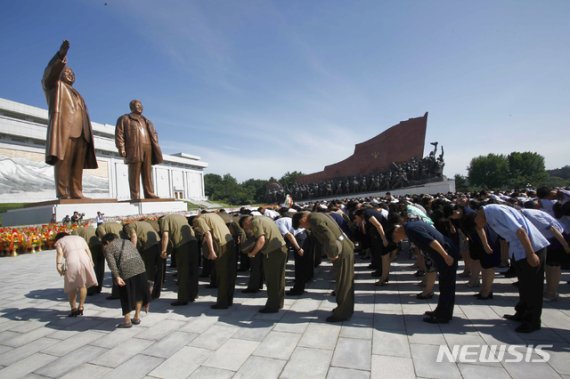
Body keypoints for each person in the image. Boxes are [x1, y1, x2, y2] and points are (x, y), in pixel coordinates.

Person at [475, 204, 550, 333]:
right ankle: (521, 313)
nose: (479, 226)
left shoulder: (495, 211)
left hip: (531, 248)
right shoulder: (487, 215)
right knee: (524, 285)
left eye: (476, 222)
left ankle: (532, 321)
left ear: (477, 215)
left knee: (533, 287)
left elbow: (520, 230)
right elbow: (479, 227)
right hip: (519, 250)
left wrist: (531, 253)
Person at [42, 40, 98, 199]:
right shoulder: (55, 86)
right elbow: (48, 76)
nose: (71, 74)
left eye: (72, 73)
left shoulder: (77, 93)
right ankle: (63, 192)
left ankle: (76, 191)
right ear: (59, 73)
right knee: (63, 163)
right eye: (67, 72)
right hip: (65, 131)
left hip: (82, 134)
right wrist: (60, 56)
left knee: (77, 166)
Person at [388, 220, 458, 324]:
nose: (399, 241)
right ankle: (440, 311)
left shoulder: (411, 229)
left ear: (396, 231)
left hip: (447, 253)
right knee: (444, 284)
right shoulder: (410, 225)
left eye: (396, 239)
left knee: (447, 285)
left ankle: (443, 316)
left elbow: (432, 241)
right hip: (444, 252)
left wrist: (445, 256)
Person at [293, 211, 355, 322]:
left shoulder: (314, 220)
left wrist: (332, 254)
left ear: (302, 220)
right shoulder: (318, 215)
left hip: (341, 251)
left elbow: (329, 237)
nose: (305, 228)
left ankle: (342, 314)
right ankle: (344, 309)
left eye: (302, 226)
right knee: (344, 281)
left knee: (343, 283)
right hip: (343, 247)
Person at [115, 99, 163, 200]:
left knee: (147, 172)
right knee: (134, 173)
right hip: (134, 148)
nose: (140, 107)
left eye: (141, 105)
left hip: (148, 148)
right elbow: (119, 135)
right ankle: (135, 194)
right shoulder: (125, 119)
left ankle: (149, 193)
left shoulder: (147, 121)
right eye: (138, 105)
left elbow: (154, 134)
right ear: (132, 107)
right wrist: (121, 148)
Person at [240, 214, 287, 313]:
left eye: (246, 227)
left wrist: (252, 253)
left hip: (272, 252)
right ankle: (279, 303)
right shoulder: (264, 218)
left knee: (272, 280)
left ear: (246, 223)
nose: (248, 229)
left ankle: (272, 306)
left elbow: (261, 240)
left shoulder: (255, 222)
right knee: (279, 279)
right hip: (281, 249)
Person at [102, 233, 150, 328]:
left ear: (107, 241)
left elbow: (112, 264)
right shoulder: (127, 241)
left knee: (125, 295)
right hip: (140, 268)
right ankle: (136, 317)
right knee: (139, 293)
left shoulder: (108, 248)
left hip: (126, 271)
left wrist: (117, 277)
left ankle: (127, 321)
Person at [192, 213, 236, 309]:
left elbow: (207, 233)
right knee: (230, 274)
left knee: (222, 275)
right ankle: (229, 300)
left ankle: (222, 303)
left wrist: (211, 251)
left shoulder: (199, 220)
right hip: (230, 242)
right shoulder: (214, 216)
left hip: (222, 245)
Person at [159, 214, 199, 306]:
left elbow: (165, 235)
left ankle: (182, 299)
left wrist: (164, 250)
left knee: (183, 272)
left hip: (182, 245)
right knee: (192, 270)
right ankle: (193, 295)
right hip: (193, 242)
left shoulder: (165, 219)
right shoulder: (180, 216)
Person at [54, 232, 98, 317]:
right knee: (83, 284)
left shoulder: (60, 241)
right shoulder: (80, 238)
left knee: (72, 285)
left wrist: (58, 265)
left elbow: (60, 254)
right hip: (85, 260)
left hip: (72, 262)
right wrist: (91, 261)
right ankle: (81, 306)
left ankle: (73, 309)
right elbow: (88, 250)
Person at [123, 220, 163, 299]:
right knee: (158, 270)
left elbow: (134, 237)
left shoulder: (130, 226)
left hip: (149, 247)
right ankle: (156, 293)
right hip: (158, 244)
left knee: (149, 270)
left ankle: (148, 294)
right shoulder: (144, 223)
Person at [72, 224, 105, 296]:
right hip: (100, 245)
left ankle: (90, 289)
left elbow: (75, 242)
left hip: (90, 247)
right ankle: (98, 288)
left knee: (90, 268)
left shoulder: (75, 231)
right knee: (100, 267)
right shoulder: (92, 228)